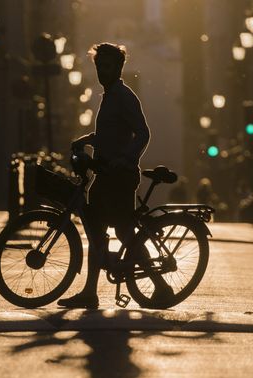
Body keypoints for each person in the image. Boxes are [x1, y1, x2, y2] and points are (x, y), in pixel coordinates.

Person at [58, 43, 172, 309]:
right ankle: (90, 292)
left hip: (118, 176)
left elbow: (142, 133)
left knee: (122, 232)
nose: (101, 71)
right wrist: (86, 140)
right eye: (98, 66)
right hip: (105, 173)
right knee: (100, 232)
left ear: (118, 67)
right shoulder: (109, 96)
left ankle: (161, 286)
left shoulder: (123, 96)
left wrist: (126, 159)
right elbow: (110, 135)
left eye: (106, 66)